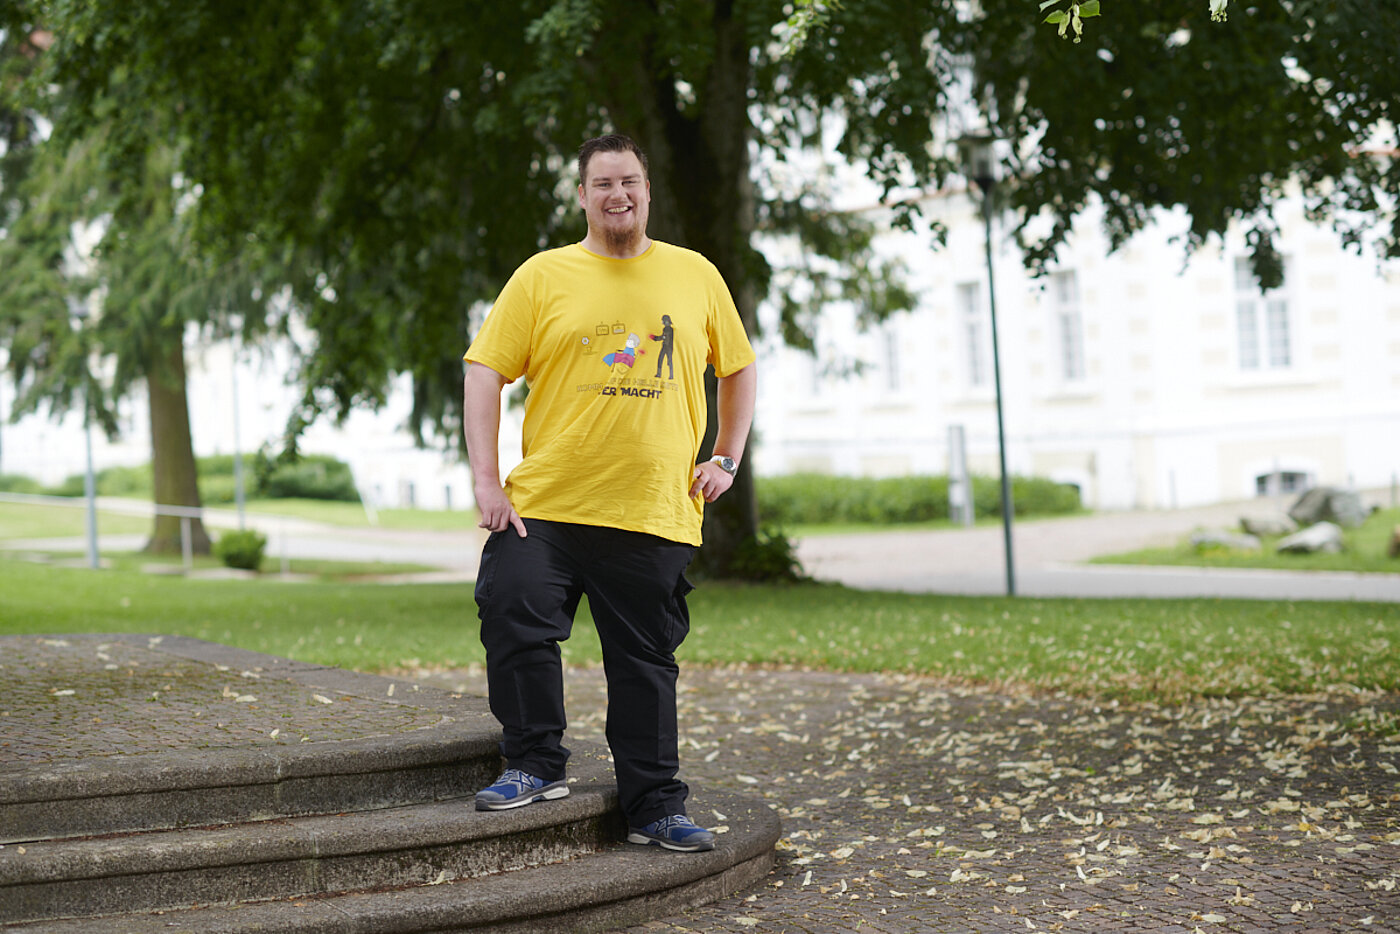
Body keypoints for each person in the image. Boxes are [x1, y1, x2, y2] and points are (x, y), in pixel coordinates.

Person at [462, 133, 756, 853]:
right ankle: (534, 764)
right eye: (603, 184)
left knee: (645, 664)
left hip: (653, 508)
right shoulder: (542, 276)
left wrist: (726, 456)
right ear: (584, 195)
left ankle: (654, 805)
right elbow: (482, 372)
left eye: (629, 181)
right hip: (546, 507)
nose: (617, 195)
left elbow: (739, 368)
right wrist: (486, 480)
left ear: (646, 192)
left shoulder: (695, 275)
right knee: (513, 613)